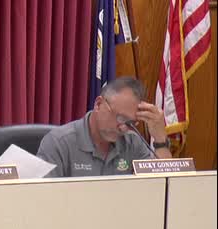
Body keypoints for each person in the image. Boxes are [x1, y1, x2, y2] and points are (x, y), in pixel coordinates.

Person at [37, 76, 172, 177]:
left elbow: (160, 190)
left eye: (130, 123)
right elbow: (44, 198)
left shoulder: (132, 142)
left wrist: (160, 140)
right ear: (98, 104)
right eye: (120, 118)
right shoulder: (58, 143)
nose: (123, 128)